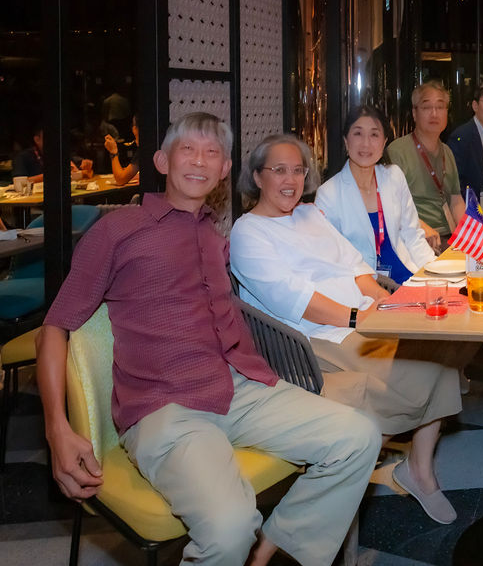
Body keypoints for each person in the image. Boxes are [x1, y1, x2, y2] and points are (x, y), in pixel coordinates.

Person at [35, 112, 380, 565]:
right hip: (164, 407)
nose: (200, 160)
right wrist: (57, 429)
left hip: (238, 389)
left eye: (212, 152)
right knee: (229, 527)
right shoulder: (117, 230)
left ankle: (272, 550)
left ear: (224, 169)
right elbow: (54, 327)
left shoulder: (214, 235)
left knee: (359, 436)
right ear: (162, 161)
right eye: (188, 149)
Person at [233, 132, 474, 525]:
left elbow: (356, 267)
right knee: (430, 367)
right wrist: (357, 318)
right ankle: (387, 464)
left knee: (447, 339)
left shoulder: (310, 215)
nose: (290, 180)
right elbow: (294, 299)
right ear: (258, 176)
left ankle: (417, 468)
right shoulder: (249, 231)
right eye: (279, 170)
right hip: (314, 340)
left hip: (362, 319)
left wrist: (384, 302)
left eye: (298, 170)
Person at [317, 105, 436, 285]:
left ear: (384, 142)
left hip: (408, 277)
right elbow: (336, 261)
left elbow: (413, 236)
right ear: (346, 141)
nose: (366, 143)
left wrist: (434, 274)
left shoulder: (394, 176)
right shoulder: (328, 195)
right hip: (367, 288)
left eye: (374, 135)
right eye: (358, 134)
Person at [387, 81, 466, 252]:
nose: (434, 113)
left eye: (440, 107)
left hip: (449, 239)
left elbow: (456, 200)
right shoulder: (397, 151)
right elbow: (390, 205)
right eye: (427, 107)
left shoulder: (447, 151)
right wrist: (419, 226)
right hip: (417, 240)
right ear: (414, 113)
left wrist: (469, 235)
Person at [12, 125, 93, 185]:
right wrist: (54, 174)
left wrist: (86, 167)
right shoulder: (22, 157)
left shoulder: (60, 153)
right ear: (37, 140)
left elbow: (75, 172)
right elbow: (20, 182)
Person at [104, 115, 140, 186]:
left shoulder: (144, 150)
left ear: (135, 129)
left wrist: (113, 152)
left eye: (133, 125)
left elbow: (120, 179)